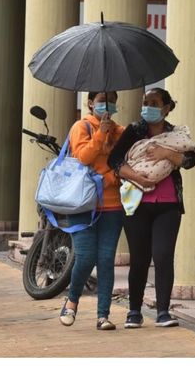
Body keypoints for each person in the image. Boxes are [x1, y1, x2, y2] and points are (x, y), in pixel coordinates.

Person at [108, 87, 195, 328]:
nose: (148, 106)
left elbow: (189, 161)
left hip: (168, 204)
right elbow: (115, 161)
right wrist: (138, 178)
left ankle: (163, 312)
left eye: (155, 102)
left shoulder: (176, 135)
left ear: (166, 108)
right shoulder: (135, 130)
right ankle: (134, 312)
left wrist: (166, 153)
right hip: (137, 203)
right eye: (146, 102)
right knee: (139, 258)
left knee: (163, 256)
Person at [59, 91, 125, 331]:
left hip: (112, 205)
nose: (107, 105)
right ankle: (72, 300)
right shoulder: (81, 127)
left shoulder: (120, 131)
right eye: (101, 101)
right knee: (86, 257)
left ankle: (103, 315)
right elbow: (84, 157)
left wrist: (109, 177)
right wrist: (101, 133)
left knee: (106, 259)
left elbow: (126, 164)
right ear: (90, 103)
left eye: (112, 101)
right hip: (82, 204)